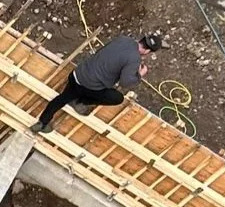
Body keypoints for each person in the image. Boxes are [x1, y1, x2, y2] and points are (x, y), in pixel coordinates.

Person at [35, 31, 164, 132]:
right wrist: (140, 75)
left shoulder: (123, 39)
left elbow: (102, 52)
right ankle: (82, 102)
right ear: (147, 51)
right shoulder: (134, 58)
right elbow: (125, 82)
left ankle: (42, 122)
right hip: (90, 87)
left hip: (77, 75)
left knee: (62, 98)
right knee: (117, 98)